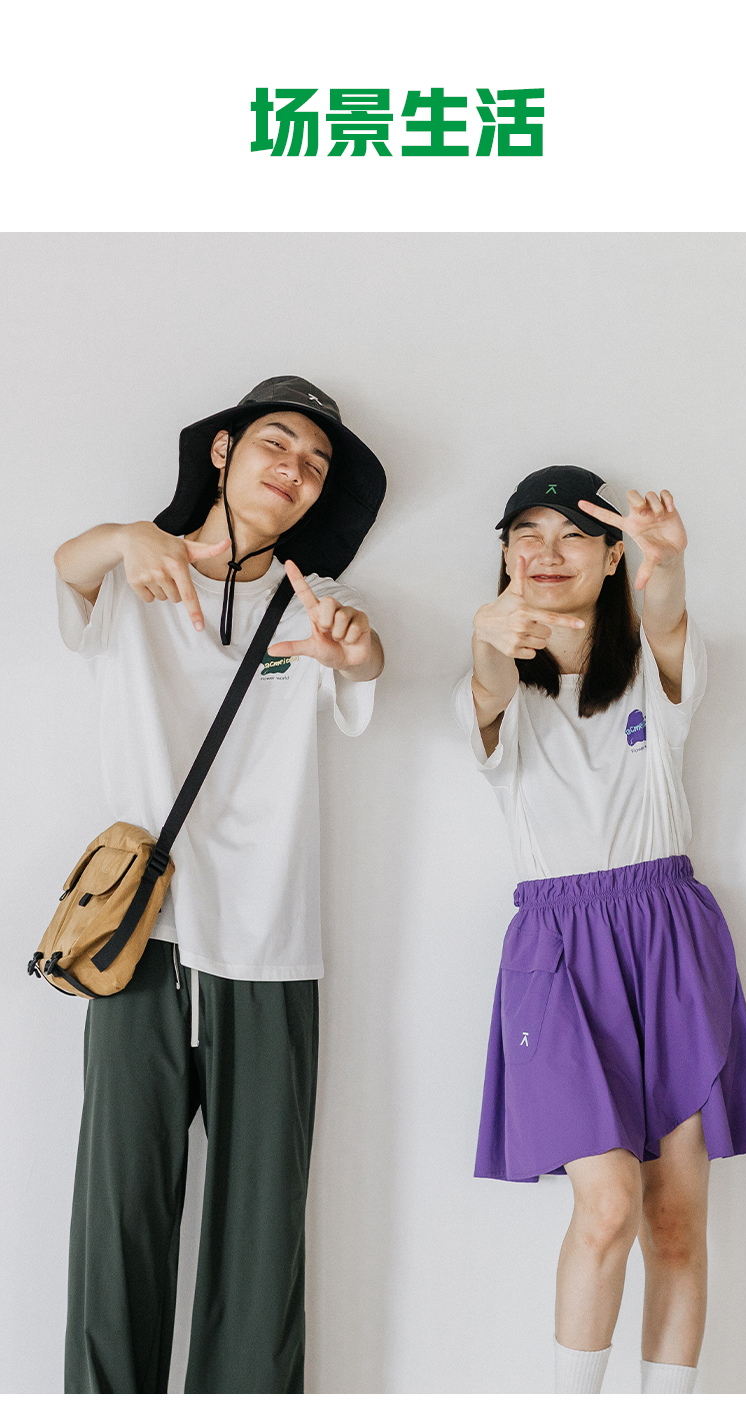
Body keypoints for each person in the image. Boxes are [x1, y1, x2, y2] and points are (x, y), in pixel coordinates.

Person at [53, 375, 386, 1394]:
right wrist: (125, 535)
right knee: (118, 1223)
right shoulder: (133, 572)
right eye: (277, 443)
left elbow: (365, 662)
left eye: (316, 465)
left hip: (272, 950)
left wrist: (354, 650)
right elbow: (68, 566)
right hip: (136, 947)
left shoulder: (315, 606)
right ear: (223, 450)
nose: (295, 469)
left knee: (260, 1241)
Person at [453, 465, 746, 1395]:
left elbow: (666, 616)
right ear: (505, 556)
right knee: (606, 1207)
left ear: (608, 558)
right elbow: (486, 682)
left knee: (675, 1218)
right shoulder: (495, 680)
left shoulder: (649, 672)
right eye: (527, 534)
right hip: (558, 950)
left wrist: (666, 563)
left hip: (666, 934)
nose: (547, 552)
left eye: (573, 535)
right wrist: (485, 634)